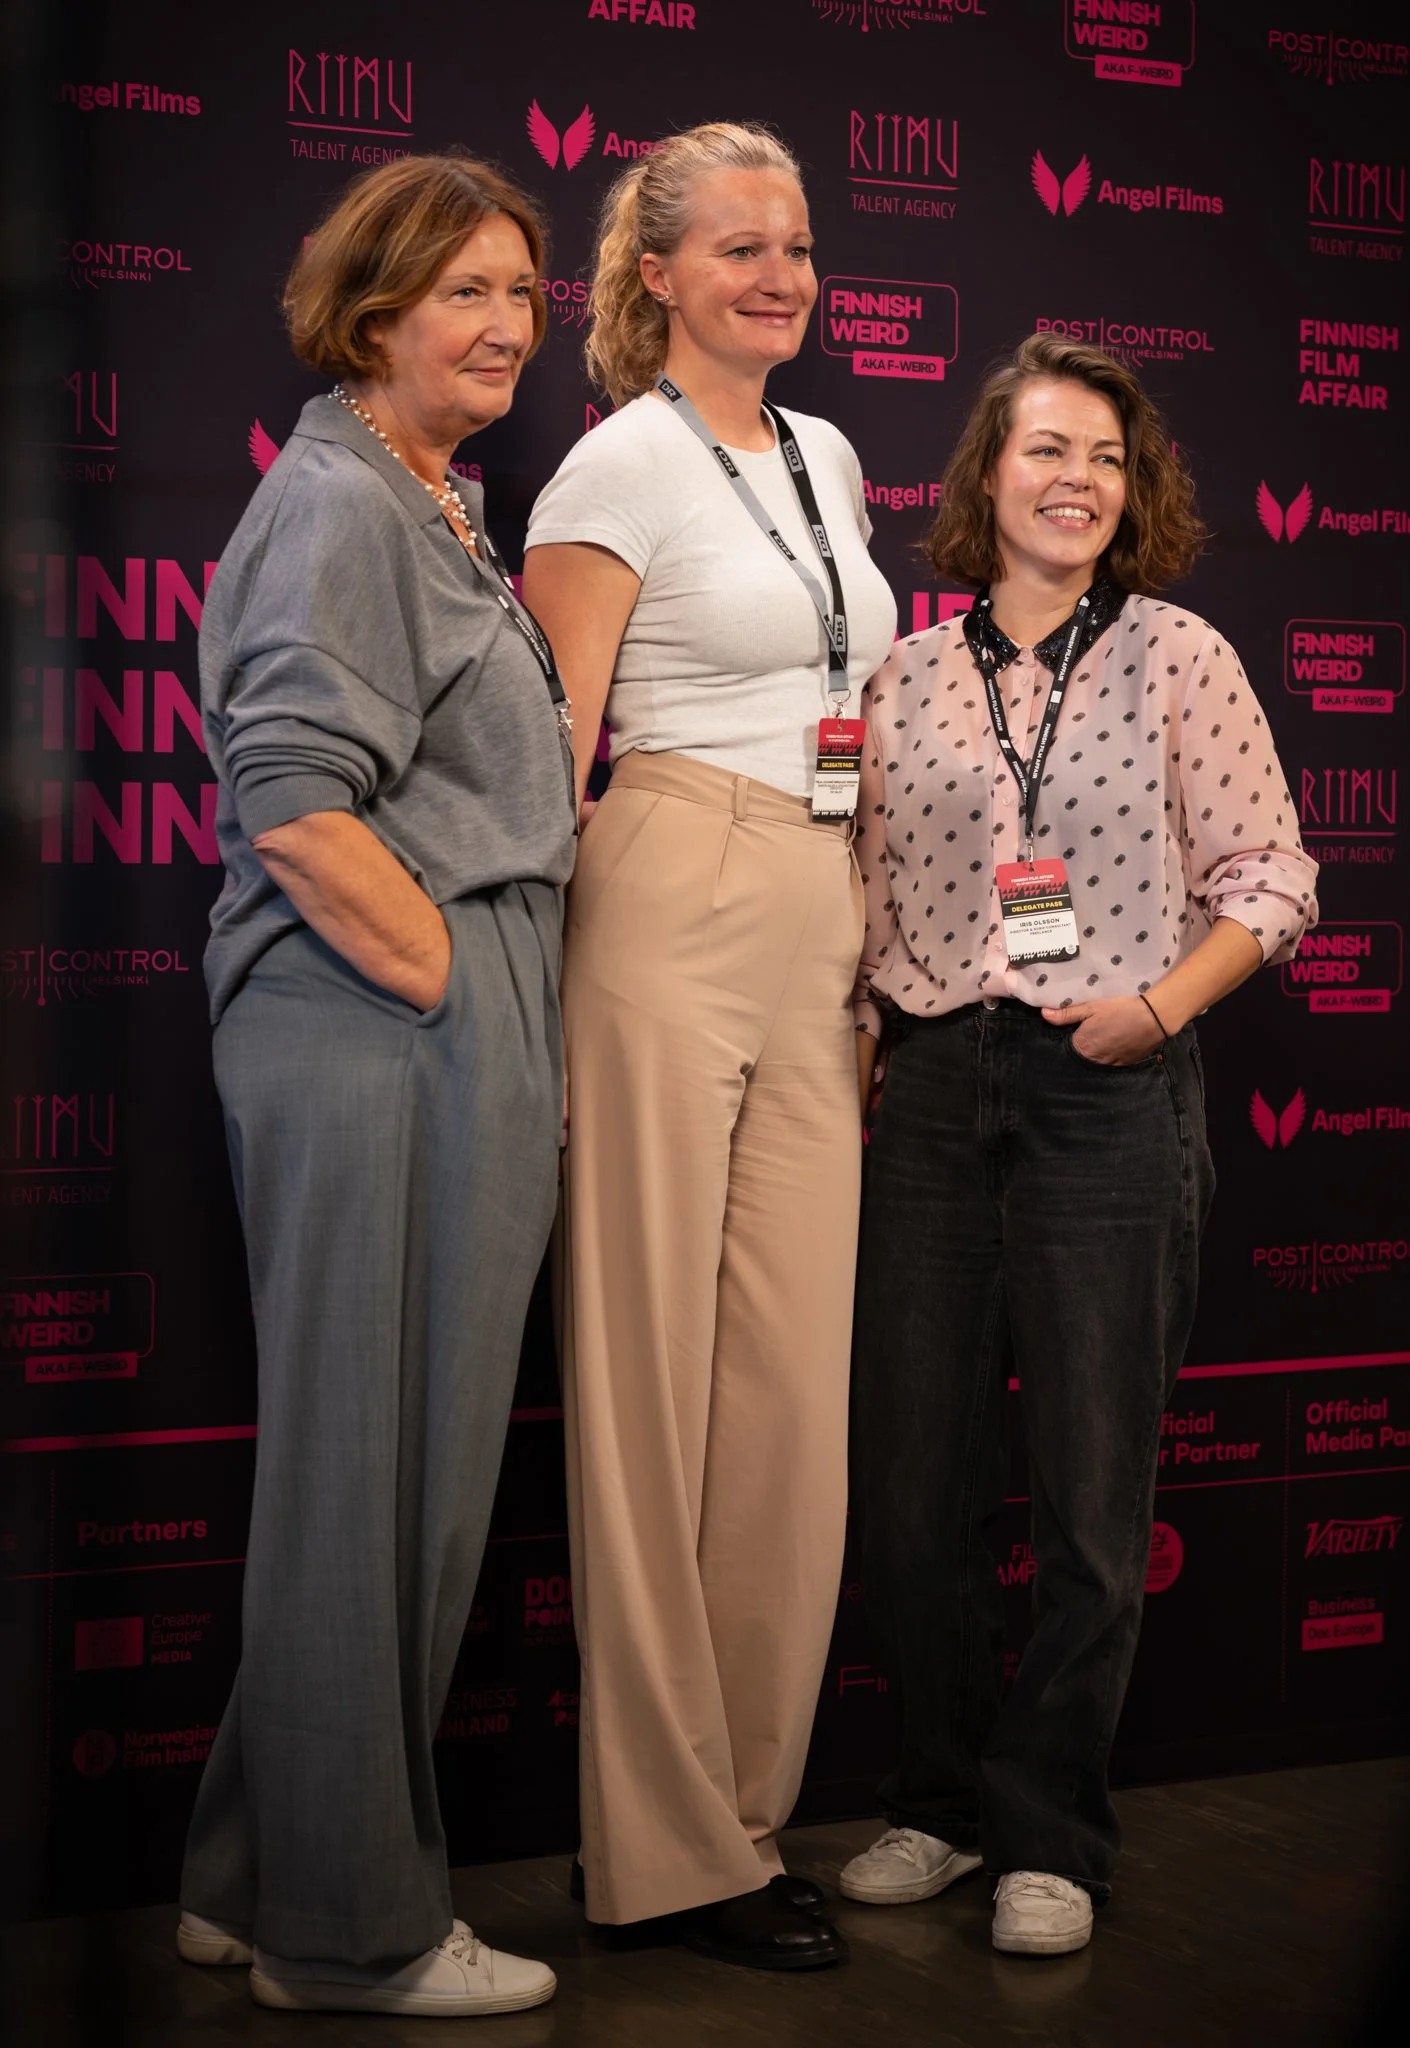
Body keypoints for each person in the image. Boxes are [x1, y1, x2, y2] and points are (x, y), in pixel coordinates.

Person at [838, 333, 1318, 1956]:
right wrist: (856, 1045)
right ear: (985, 478)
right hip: (927, 1087)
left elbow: (1271, 879)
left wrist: (1153, 1013)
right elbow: (855, 900)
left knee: (1089, 1493)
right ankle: (937, 1800)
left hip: (1105, 1082)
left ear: (1136, 490)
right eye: (1045, 451)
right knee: (911, 1485)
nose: (1076, 483)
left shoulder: (1179, 656)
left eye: (1105, 459)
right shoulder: (900, 679)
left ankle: (1048, 1829)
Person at [176, 155, 575, 2018]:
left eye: (519, 291)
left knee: (370, 1471)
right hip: (382, 1011)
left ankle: (258, 1876)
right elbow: (288, 796)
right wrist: (442, 980)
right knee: (377, 1485)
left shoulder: (427, 496)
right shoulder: (342, 499)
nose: (503, 325)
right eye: (461, 294)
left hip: (418, 1004)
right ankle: (350, 1934)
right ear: (370, 315)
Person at [521, 122, 897, 1971]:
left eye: (800, 247)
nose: (779, 274)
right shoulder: (613, 464)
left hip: (823, 917)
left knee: (781, 1406)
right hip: (663, 885)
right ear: (653, 274)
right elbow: (545, 756)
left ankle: (747, 1820)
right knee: (649, 1386)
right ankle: (656, 1852)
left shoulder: (825, 454)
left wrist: (877, 947)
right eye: (737, 247)